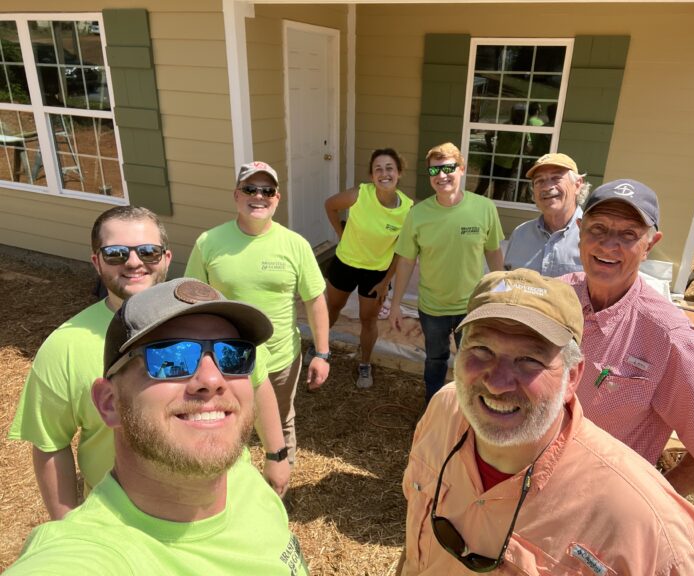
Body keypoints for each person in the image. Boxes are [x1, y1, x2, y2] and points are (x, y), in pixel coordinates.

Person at [398, 269, 694, 575]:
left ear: (572, 377)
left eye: (529, 360)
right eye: (481, 349)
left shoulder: (641, 520)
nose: (497, 382)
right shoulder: (445, 409)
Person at [5, 278, 309, 575]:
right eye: (171, 357)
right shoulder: (89, 555)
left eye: (233, 355)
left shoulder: (246, 479)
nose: (213, 380)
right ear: (109, 403)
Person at [561, 178, 694, 495]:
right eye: (598, 228)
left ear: (650, 245)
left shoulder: (667, 335)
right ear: (580, 231)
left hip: (598, 505)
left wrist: (657, 502)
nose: (609, 245)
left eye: (628, 234)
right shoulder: (554, 296)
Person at [7, 207, 173, 519]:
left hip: (214, 510)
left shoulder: (206, 324)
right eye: (116, 253)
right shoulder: (64, 346)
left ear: (166, 257)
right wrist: (66, 524)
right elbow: (50, 443)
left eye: (148, 251)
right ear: (96, 261)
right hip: (118, 522)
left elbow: (254, 386)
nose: (134, 262)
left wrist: (276, 452)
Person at [185, 160, 330, 472]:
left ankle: (278, 491)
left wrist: (322, 353)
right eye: (250, 188)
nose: (259, 196)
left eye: (267, 190)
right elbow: (191, 301)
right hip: (222, 362)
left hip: (279, 360)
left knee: (279, 423)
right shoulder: (209, 243)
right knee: (224, 426)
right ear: (237, 195)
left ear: (277, 199)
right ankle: (230, 490)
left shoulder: (295, 245)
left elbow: (315, 300)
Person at [390, 142, 504, 404]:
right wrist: (395, 304)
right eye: (434, 172)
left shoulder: (485, 208)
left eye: (448, 169)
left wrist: (502, 291)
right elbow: (406, 261)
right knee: (435, 359)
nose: (441, 177)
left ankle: (467, 408)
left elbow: (493, 252)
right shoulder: (418, 214)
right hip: (433, 307)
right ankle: (432, 405)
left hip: (472, 306)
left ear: (461, 169)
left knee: (472, 361)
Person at [322, 148, 414, 388]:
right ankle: (321, 349)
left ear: (399, 173)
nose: (384, 173)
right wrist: (341, 235)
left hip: (376, 272)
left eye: (389, 168)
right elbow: (330, 205)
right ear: (372, 175)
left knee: (368, 319)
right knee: (332, 308)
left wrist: (386, 282)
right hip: (345, 263)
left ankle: (364, 364)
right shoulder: (360, 195)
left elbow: (401, 250)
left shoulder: (408, 209)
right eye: (378, 169)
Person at [504, 152, 589, 277]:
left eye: (556, 178)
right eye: (539, 180)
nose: (547, 187)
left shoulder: (593, 235)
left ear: (577, 185)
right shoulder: (520, 234)